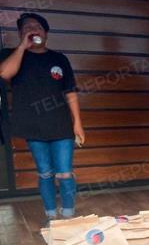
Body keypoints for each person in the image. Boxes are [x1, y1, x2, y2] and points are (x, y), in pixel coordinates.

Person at [0, 13, 85, 222]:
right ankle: (51, 217)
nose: (32, 30)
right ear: (21, 34)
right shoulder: (12, 54)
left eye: (36, 26)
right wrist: (22, 47)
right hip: (33, 127)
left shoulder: (59, 59)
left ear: (45, 33)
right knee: (45, 173)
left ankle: (68, 215)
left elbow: (71, 93)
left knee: (64, 173)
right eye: (26, 28)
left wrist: (78, 124)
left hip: (61, 126)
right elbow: (4, 74)